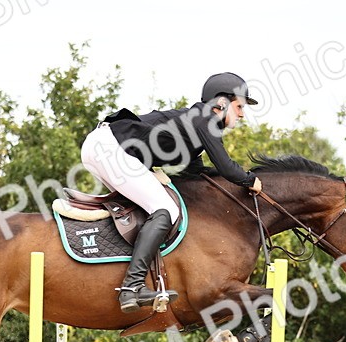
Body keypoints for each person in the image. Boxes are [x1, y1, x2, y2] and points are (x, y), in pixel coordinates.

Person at [80, 72, 264, 312]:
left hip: (103, 147)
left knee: (146, 209)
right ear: (221, 103)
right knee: (165, 208)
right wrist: (250, 180)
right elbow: (226, 167)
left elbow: (198, 172)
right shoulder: (204, 119)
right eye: (239, 106)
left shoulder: (194, 126)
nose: (241, 114)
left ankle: (122, 274)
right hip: (111, 147)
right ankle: (131, 286)